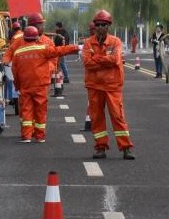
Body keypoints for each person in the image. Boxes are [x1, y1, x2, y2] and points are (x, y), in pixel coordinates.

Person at [10, 25, 79, 143]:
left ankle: (26, 136)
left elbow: (14, 72)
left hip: (25, 86)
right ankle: (39, 136)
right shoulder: (43, 49)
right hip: (40, 85)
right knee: (40, 110)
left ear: (24, 38)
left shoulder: (17, 53)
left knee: (26, 110)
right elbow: (60, 50)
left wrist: (17, 86)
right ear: (36, 38)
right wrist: (76, 47)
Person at [81, 10, 134, 160]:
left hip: (112, 86)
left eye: (103, 25)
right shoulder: (87, 43)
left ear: (108, 26)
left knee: (117, 116)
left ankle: (126, 148)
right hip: (94, 86)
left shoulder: (115, 42)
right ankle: (100, 147)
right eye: (97, 25)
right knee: (96, 118)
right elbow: (87, 63)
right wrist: (104, 59)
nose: (100, 27)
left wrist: (96, 58)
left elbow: (115, 60)